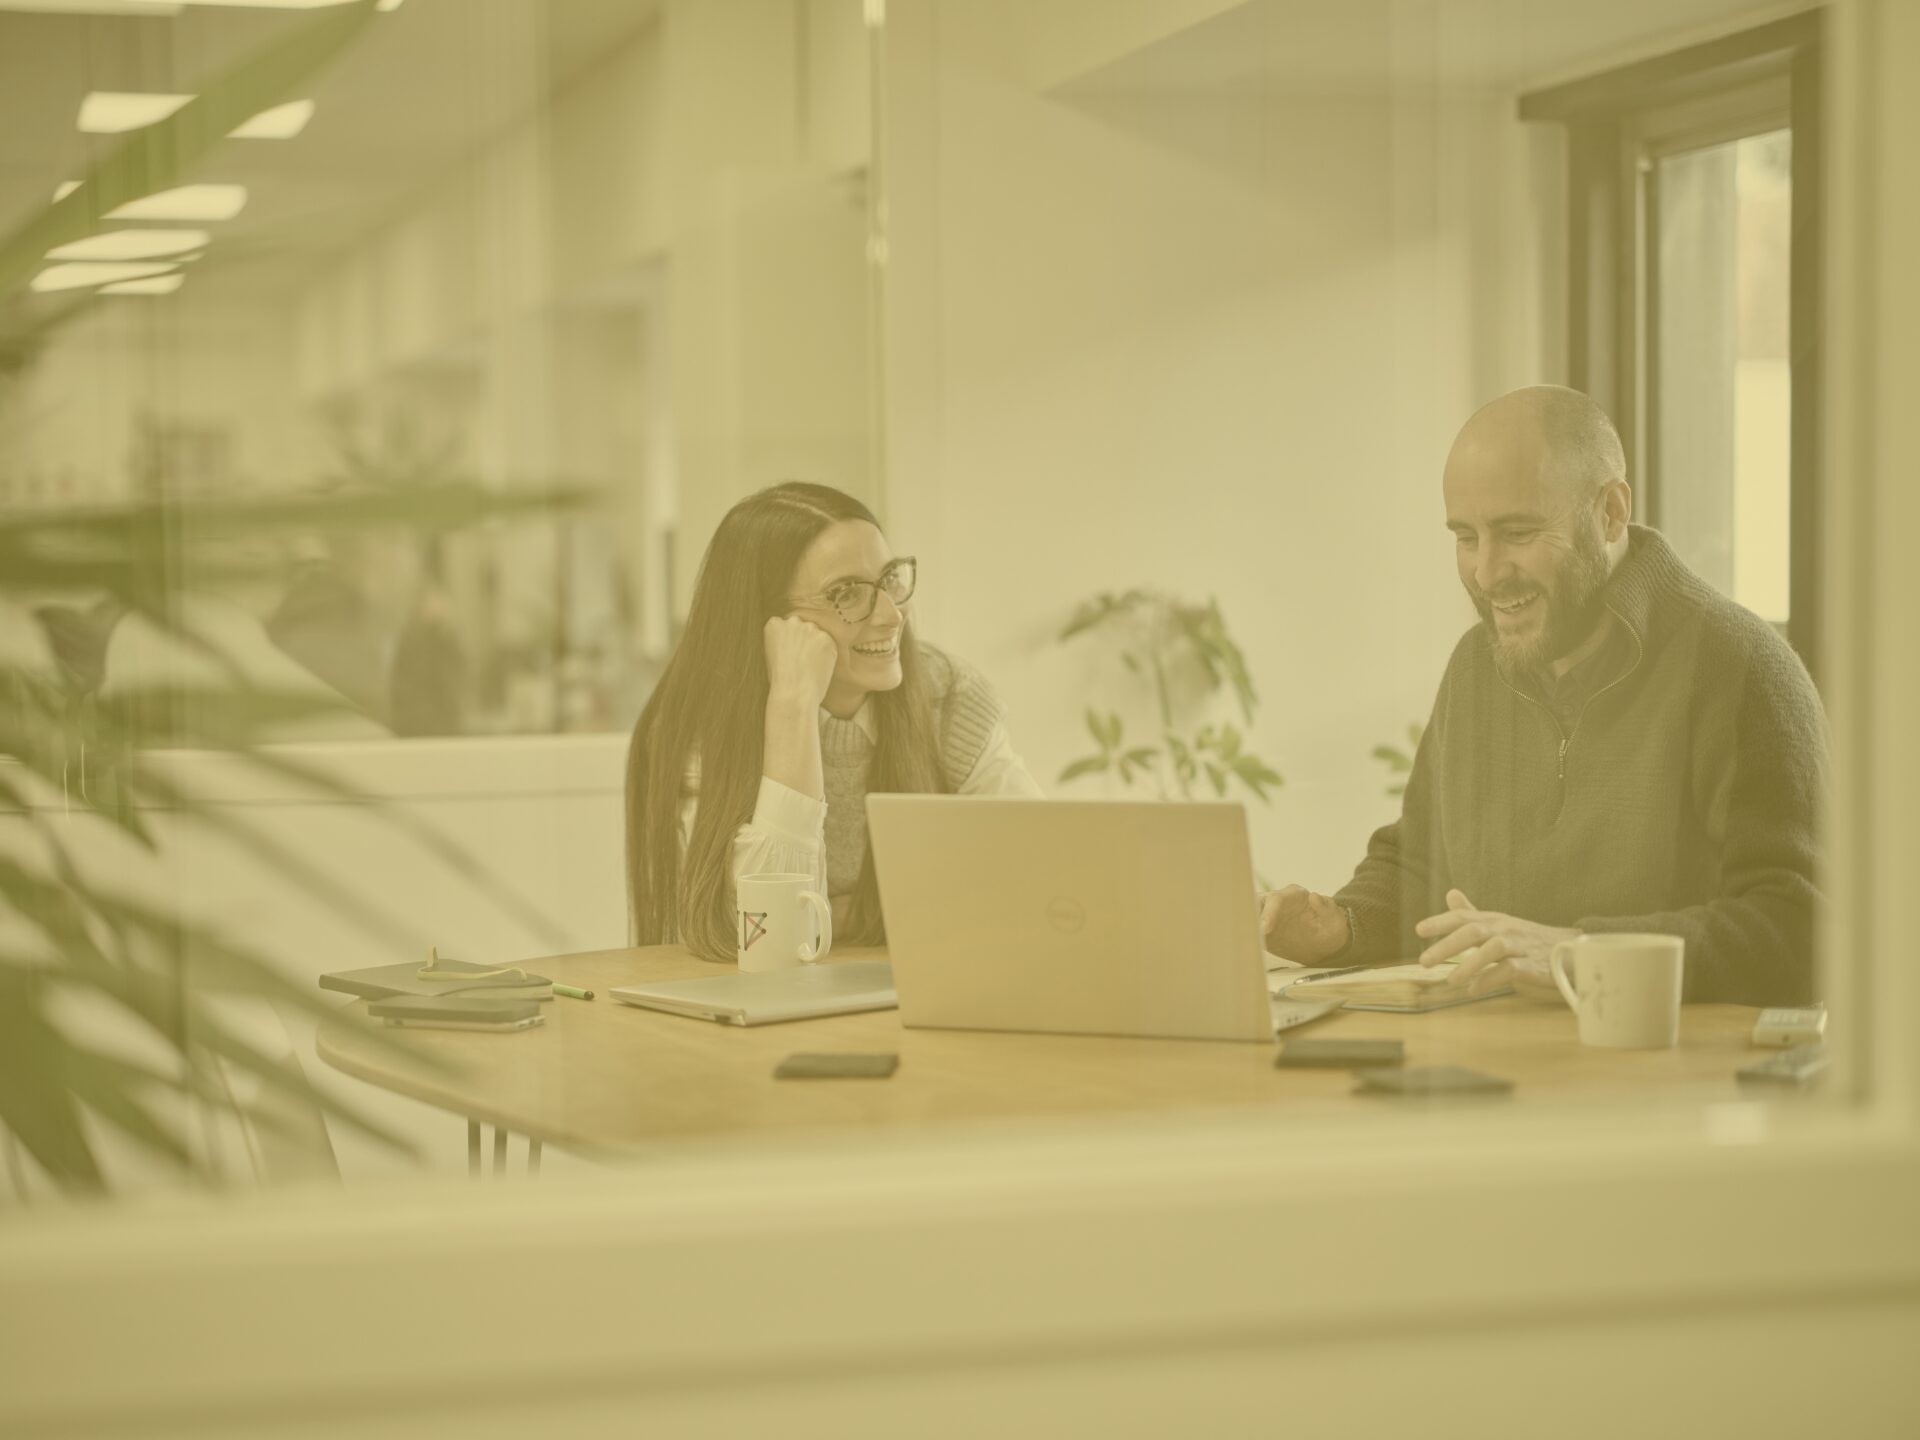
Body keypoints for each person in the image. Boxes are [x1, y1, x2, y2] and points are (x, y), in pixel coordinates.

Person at [1259, 386, 1825, 1006]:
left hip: (1668, 1086)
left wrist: (1578, 954)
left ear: (1610, 514)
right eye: (1466, 537)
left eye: (1517, 532)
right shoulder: (1476, 667)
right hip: (1493, 1075)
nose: (1486, 572)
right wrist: (1340, 926)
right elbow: (1421, 867)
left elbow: (1798, 931)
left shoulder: (1740, 668)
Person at [625, 481, 1041, 962]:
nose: (891, 615)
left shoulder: (948, 696)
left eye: (890, 579)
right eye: (846, 593)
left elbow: (1039, 874)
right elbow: (773, 941)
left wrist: (849, 917)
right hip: (748, 1016)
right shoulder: (694, 724)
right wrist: (792, 707)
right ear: (770, 622)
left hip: (911, 992)